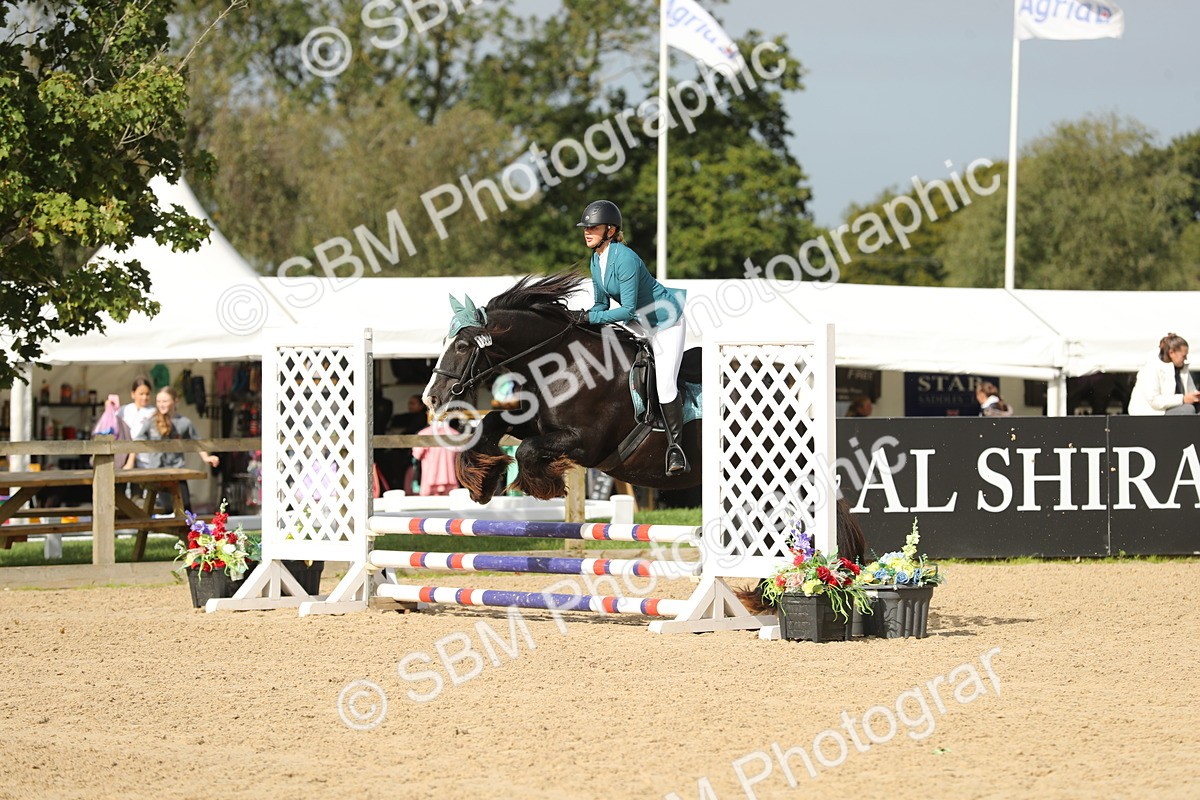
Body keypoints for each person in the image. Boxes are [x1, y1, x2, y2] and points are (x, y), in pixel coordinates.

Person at [576, 199, 690, 475]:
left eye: (594, 227)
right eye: (586, 228)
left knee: (665, 385)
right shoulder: (596, 260)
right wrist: (582, 318)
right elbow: (601, 304)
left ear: (611, 230)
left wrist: (592, 318)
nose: (587, 232)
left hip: (665, 322)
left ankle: (676, 449)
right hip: (639, 322)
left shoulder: (625, 258)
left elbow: (626, 308)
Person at [126, 387, 219, 511]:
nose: (161, 404)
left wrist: (206, 458)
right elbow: (137, 441)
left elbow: (196, 442)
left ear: (175, 401)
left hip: (177, 471)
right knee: (167, 507)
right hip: (157, 472)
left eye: (165, 401)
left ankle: (186, 524)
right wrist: (131, 461)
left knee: (186, 508)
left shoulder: (184, 422)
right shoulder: (151, 421)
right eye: (158, 401)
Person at [1130, 333, 1200, 416]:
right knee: (1188, 409)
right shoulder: (1151, 368)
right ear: (1171, 353)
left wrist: (1195, 397)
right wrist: (1183, 399)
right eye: (1183, 356)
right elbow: (1154, 401)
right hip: (1153, 414)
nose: (1186, 358)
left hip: (1174, 409)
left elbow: (1191, 392)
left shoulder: (1182, 369)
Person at [119, 378, 155, 442]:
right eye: (141, 394)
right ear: (133, 394)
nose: (144, 397)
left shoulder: (153, 412)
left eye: (147, 394)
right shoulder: (124, 409)